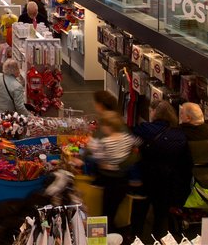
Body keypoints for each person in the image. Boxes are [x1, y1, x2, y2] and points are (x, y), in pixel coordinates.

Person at [131, 100, 191, 239]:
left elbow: (131, 140)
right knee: (160, 216)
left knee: (139, 212)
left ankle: (136, 238)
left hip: (145, 178)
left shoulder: (145, 129)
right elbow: (185, 164)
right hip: (166, 182)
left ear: (154, 112)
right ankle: (158, 239)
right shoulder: (180, 135)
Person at [82, 112, 137, 220]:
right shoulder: (125, 137)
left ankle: (108, 233)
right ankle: (111, 230)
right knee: (110, 211)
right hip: (121, 181)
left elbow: (95, 156)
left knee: (107, 212)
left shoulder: (109, 141)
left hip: (113, 181)